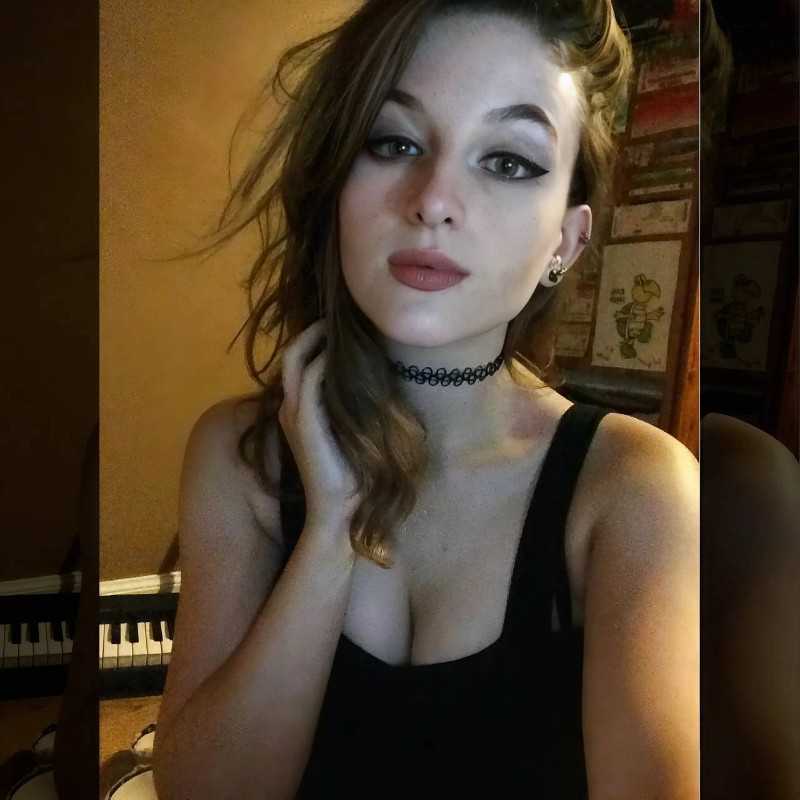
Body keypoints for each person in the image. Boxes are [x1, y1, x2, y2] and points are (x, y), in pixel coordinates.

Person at [152, 1, 699, 797]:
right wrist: (331, 530)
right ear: (337, 179)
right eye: (394, 142)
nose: (433, 199)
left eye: (507, 161)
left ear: (567, 240)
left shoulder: (635, 487)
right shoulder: (243, 454)